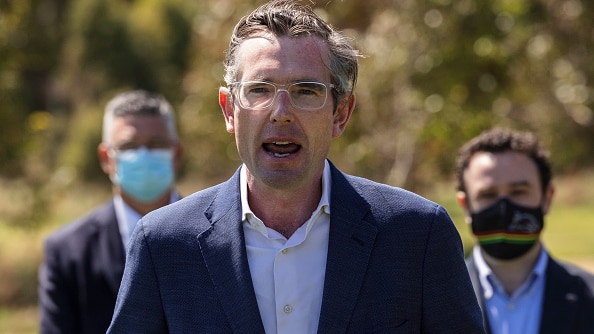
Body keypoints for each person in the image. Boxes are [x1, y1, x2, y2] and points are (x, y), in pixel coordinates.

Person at [108, 1, 484, 332]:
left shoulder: (417, 236)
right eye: (259, 90)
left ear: (341, 112)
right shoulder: (164, 244)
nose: (282, 113)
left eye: (306, 91)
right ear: (229, 110)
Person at [39, 90, 183, 334]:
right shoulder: (68, 253)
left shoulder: (224, 236)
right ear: (106, 158)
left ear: (176, 154)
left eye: (157, 144)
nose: (143, 156)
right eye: (129, 146)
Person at [455, 127, 594, 334]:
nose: (503, 207)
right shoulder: (436, 299)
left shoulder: (589, 295)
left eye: (518, 192)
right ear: (465, 205)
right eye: (488, 194)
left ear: (547, 198)